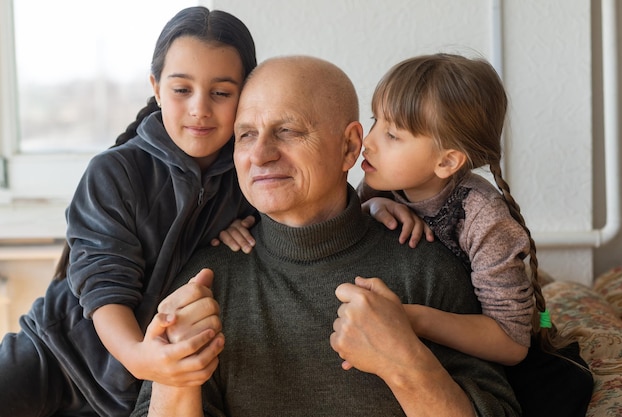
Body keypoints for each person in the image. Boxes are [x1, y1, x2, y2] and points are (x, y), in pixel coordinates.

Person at [131, 55, 521, 417]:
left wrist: (405, 365)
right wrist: (174, 379)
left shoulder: (427, 264)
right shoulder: (206, 281)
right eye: (246, 134)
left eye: (287, 131)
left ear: (350, 147)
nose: (261, 154)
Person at [0, 6, 257, 417]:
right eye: (181, 89)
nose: (200, 108)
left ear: (247, 95)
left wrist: (377, 199)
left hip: (141, 390)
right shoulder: (114, 171)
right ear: (156, 88)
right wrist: (139, 357)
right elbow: (105, 287)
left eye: (222, 92)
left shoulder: (252, 179)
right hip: (54, 356)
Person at [356, 53, 593, 416]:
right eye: (375, 120)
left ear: (447, 161)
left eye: (391, 134)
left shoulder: (481, 216)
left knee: (558, 379)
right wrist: (369, 210)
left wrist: (409, 319)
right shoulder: (380, 186)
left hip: (495, 348)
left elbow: (512, 342)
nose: (368, 141)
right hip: (422, 341)